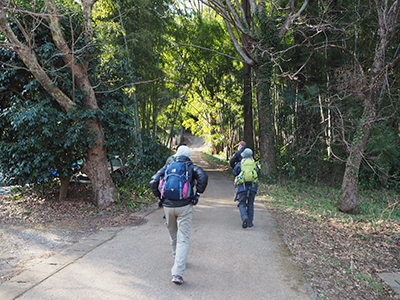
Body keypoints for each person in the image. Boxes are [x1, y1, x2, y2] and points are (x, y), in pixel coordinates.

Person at [150, 145, 208, 284]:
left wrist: (160, 198)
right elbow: (203, 176)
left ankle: (178, 260)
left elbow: (153, 181)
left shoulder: (168, 166)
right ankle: (177, 272)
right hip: (184, 206)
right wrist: (197, 194)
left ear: (176, 154)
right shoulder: (190, 166)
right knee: (183, 239)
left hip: (167, 207)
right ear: (188, 155)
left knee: (174, 236)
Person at [232, 148, 260, 229]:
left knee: (242, 203)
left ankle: (244, 216)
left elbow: (234, 172)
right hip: (253, 186)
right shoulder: (254, 164)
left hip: (242, 187)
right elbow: (258, 173)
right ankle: (250, 222)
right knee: (250, 204)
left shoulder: (241, 163)